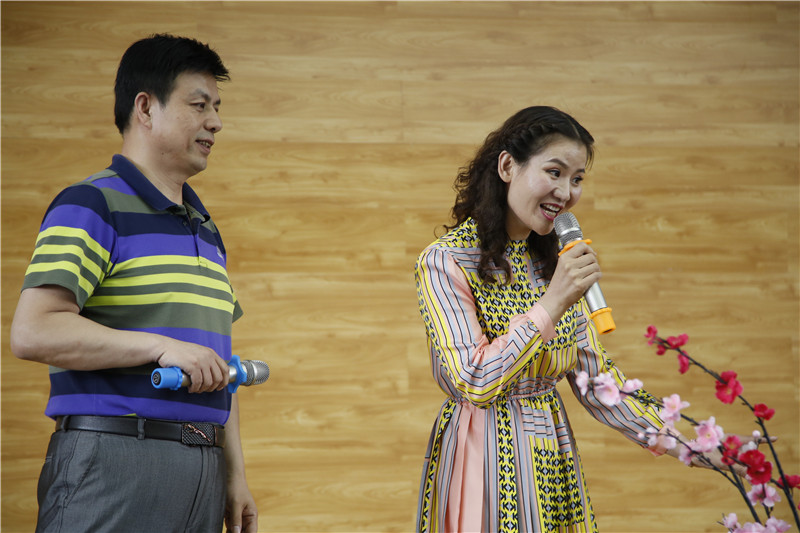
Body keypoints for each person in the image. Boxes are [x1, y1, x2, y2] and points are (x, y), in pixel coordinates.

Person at [413, 106, 742, 532]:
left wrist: (693, 446)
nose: (566, 192)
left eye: (577, 179)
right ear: (508, 166)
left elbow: (601, 385)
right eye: (554, 172)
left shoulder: (554, 264)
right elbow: (474, 380)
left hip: (552, 454)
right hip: (482, 455)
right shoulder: (446, 261)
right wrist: (551, 304)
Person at [10, 34, 257, 533]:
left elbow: (216, 362)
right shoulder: (91, 203)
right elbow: (34, 331)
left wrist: (234, 474)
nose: (216, 122)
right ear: (145, 108)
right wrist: (160, 347)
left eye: (217, 107)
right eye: (199, 105)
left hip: (203, 468)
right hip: (114, 460)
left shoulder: (206, 229)